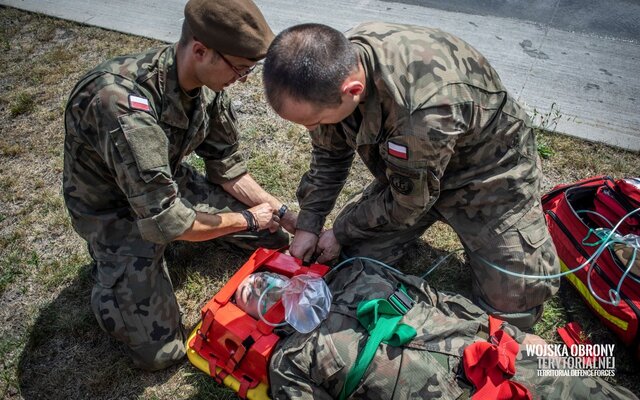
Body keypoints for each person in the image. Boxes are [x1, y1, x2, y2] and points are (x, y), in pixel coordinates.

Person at [262, 22, 560, 329]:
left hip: (487, 175)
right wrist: (309, 225)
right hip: (413, 172)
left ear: (353, 91)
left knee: (512, 308)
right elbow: (329, 153)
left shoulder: (422, 111)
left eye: (315, 121)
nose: (311, 129)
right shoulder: (334, 66)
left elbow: (409, 203)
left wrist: (341, 229)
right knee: (352, 257)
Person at [62, 0, 296, 371]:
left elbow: (228, 167)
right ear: (200, 50)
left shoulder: (206, 83)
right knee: (162, 353)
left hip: (165, 182)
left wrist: (282, 214)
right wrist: (248, 219)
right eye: (239, 69)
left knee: (277, 241)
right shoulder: (120, 104)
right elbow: (171, 222)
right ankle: (112, 276)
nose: (241, 79)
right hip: (114, 210)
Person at [266, 259, 637, 400]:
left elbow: (435, 297)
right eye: (257, 300)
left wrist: (515, 335)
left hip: (495, 352)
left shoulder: (355, 274)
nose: (271, 293)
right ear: (262, 320)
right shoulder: (290, 360)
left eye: (267, 281)